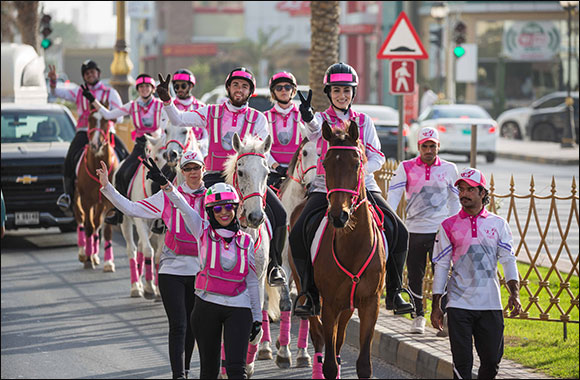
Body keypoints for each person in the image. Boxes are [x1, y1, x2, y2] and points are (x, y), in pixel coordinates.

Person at [290, 62, 413, 317]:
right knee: (299, 230)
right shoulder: (321, 120)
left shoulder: (364, 121)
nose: (341, 95)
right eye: (336, 90)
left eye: (346, 90)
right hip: (326, 186)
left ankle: (394, 290)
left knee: (398, 229)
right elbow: (313, 133)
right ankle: (309, 294)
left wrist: (358, 174)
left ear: (353, 93)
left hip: (362, 185)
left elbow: (377, 156)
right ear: (329, 93)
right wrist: (307, 115)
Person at [156, 67, 287, 287]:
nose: (239, 89)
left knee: (280, 214)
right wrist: (167, 100)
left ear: (250, 92)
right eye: (235, 85)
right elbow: (178, 120)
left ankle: (275, 266)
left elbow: (261, 151)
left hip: (246, 179)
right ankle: (189, 261)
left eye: (244, 86)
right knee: (192, 210)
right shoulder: (210, 112)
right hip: (214, 178)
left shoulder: (258, 118)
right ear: (228, 88)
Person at [145, 161, 262, 379]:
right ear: (209, 211)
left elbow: (253, 282)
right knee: (208, 371)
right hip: (206, 308)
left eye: (229, 207)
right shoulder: (202, 230)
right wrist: (165, 185)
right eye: (217, 209)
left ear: (236, 209)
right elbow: (183, 206)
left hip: (239, 309)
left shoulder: (247, 240)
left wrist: (258, 318)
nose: (224, 212)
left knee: (237, 371)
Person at [96, 149, 205, 379]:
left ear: (203, 169)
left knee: (193, 328)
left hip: (200, 272)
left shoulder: (212, 196)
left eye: (197, 167)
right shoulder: (166, 196)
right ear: (181, 172)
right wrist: (107, 187)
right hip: (171, 270)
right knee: (179, 325)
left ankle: (185, 369)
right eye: (188, 168)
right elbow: (133, 209)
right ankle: (179, 376)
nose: (193, 172)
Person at [430, 168, 522, 379]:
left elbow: (508, 260)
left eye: (470, 189)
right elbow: (442, 266)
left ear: (482, 193)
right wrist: (436, 305)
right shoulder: (448, 226)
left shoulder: (498, 224)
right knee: (461, 364)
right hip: (459, 304)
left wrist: (514, 293)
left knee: (491, 361)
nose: (464, 194)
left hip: (490, 303)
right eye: (461, 189)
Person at [387, 126, 461, 334]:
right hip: (414, 230)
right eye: (424, 146)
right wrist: (389, 219)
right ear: (418, 147)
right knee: (415, 275)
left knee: (443, 273)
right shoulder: (406, 167)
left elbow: (455, 200)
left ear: (438, 147)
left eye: (432, 146)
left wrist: (453, 225)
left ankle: (443, 316)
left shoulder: (449, 169)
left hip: (440, 231)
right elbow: (394, 196)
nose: (429, 150)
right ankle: (418, 315)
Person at [49, 60, 129, 212]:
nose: (90, 75)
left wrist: (107, 117)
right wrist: (53, 81)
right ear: (84, 77)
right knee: (69, 159)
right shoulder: (79, 92)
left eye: (92, 72)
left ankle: (126, 197)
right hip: (84, 132)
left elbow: (119, 117)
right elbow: (56, 93)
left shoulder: (110, 93)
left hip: (106, 133)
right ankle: (68, 196)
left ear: (98, 73)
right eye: (87, 73)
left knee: (125, 156)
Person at [85, 73, 164, 225]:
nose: (144, 89)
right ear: (138, 90)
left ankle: (168, 213)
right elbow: (108, 115)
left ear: (152, 89)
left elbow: (169, 123)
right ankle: (119, 212)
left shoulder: (161, 105)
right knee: (121, 173)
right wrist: (93, 100)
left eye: (147, 86)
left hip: (157, 147)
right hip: (140, 147)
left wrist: (159, 134)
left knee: (170, 174)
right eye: (141, 87)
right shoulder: (132, 106)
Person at [161, 69, 208, 157]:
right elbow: (163, 134)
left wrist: (199, 144)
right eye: (176, 86)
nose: (179, 89)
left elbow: (207, 135)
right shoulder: (167, 107)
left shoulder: (201, 106)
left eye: (183, 86)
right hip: (175, 153)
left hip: (200, 153)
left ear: (191, 87)